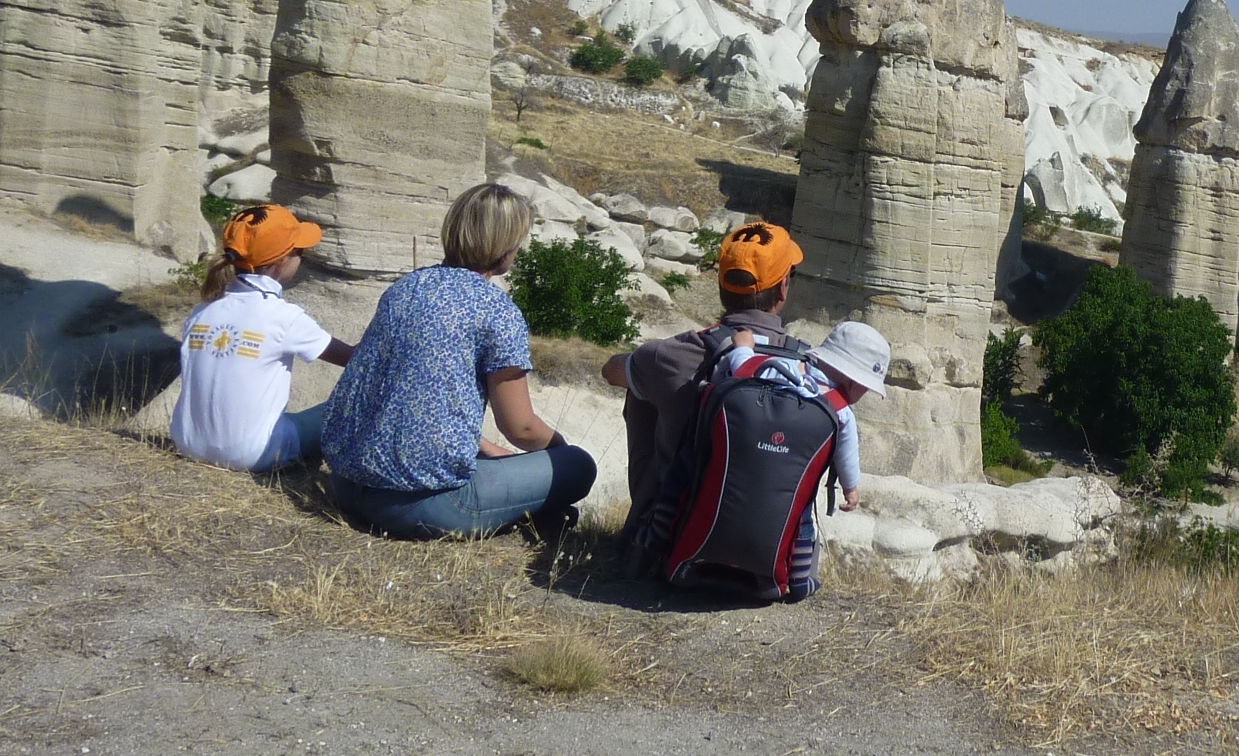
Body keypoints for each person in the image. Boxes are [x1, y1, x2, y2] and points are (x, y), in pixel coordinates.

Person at [321, 183, 596, 538]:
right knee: (578, 467)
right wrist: (557, 454)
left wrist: (487, 449)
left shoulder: (405, 288)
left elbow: (403, 391)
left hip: (347, 485)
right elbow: (521, 427)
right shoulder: (496, 311)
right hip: (418, 505)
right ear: (504, 246)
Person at [601, 220, 803, 541]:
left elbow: (610, 371)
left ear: (721, 287)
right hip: (766, 546)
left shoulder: (677, 353)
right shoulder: (805, 366)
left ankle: (648, 516)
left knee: (639, 385)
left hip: (675, 541)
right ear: (783, 288)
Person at [169, 204, 354, 473]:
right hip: (252, 455)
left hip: (188, 444)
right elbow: (356, 360)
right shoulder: (282, 316)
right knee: (348, 406)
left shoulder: (202, 310)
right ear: (281, 263)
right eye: (298, 251)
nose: (301, 258)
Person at [717, 320, 890, 512]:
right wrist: (851, 489)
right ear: (855, 383)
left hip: (734, 482)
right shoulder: (841, 412)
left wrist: (743, 347)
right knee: (801, 518)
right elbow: (846, 458)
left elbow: (743, 369)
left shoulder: (775, 368)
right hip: (788, 504)